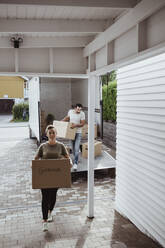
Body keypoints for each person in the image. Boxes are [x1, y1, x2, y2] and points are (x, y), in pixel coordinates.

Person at [34, 124, 71, 232]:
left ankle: (50, 211)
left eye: (53, 132)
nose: (52, 134)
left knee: (53, 196)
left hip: (56, 176)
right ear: (47, 134)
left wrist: (70, 163)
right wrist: (33, 165)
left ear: (56, 134)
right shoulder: (43, 146)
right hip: (44, 176)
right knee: (45, 198)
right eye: (49, 133)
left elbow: (67, 158)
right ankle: (44, 221)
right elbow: (36, 158)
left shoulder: (61, 146)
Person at [62, 103, 85, 171]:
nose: (79, 111)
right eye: (78, 109)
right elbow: (67, 118)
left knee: (76, 148)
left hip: (78, 133)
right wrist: (61, 122)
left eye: (80, 109)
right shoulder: (70, 112)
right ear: (75, 108)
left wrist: (75, 125)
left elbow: (82, 124)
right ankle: (76, 158)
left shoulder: (82, 114)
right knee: (72, 148)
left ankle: (75, 164)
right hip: (71, 132)